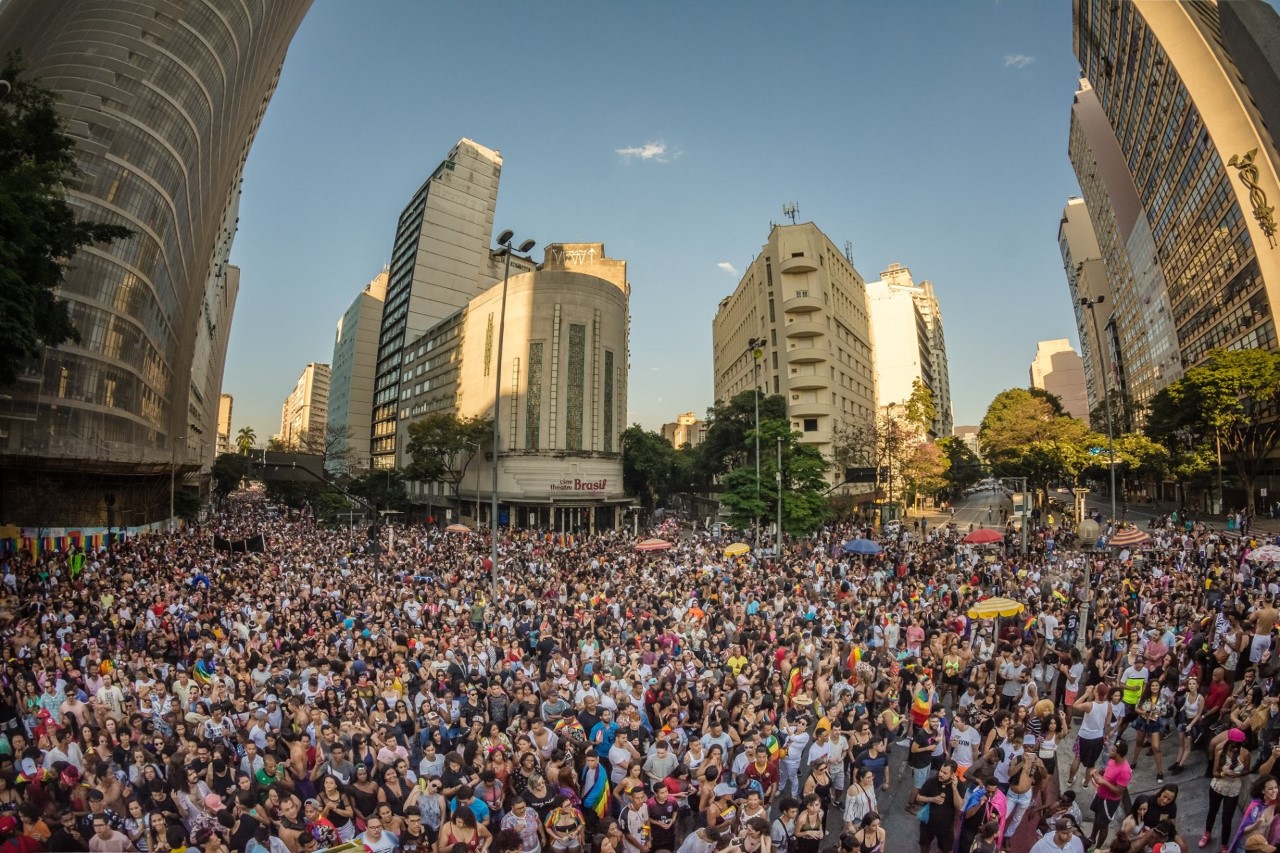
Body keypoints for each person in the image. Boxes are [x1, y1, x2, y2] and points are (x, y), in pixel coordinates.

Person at [1087, 742, 1131, 851]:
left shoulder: (1125, 771)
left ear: (1119, 754)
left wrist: (1104, 782)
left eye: (1113, 750)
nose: (1110, 751)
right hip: (1101, 794)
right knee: (1097, 817)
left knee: (1103, 824)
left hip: (1110, 801)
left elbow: (1119, 791)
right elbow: (1106, 772)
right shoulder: (1112, 760)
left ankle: (1098, 848)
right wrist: (1098, 772)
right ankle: (1092, 837)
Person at [916, 760, 963, 853]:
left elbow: (959, 805)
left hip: (946, 826)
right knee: (924, 846)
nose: (941, 774)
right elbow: (918, 798)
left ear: (953, 774)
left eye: (945, 773)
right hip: (928, 823)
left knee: (945, 849)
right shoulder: (931, 781)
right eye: (941, 771)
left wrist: (954, 788)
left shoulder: (958, 785)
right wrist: (932, 799)